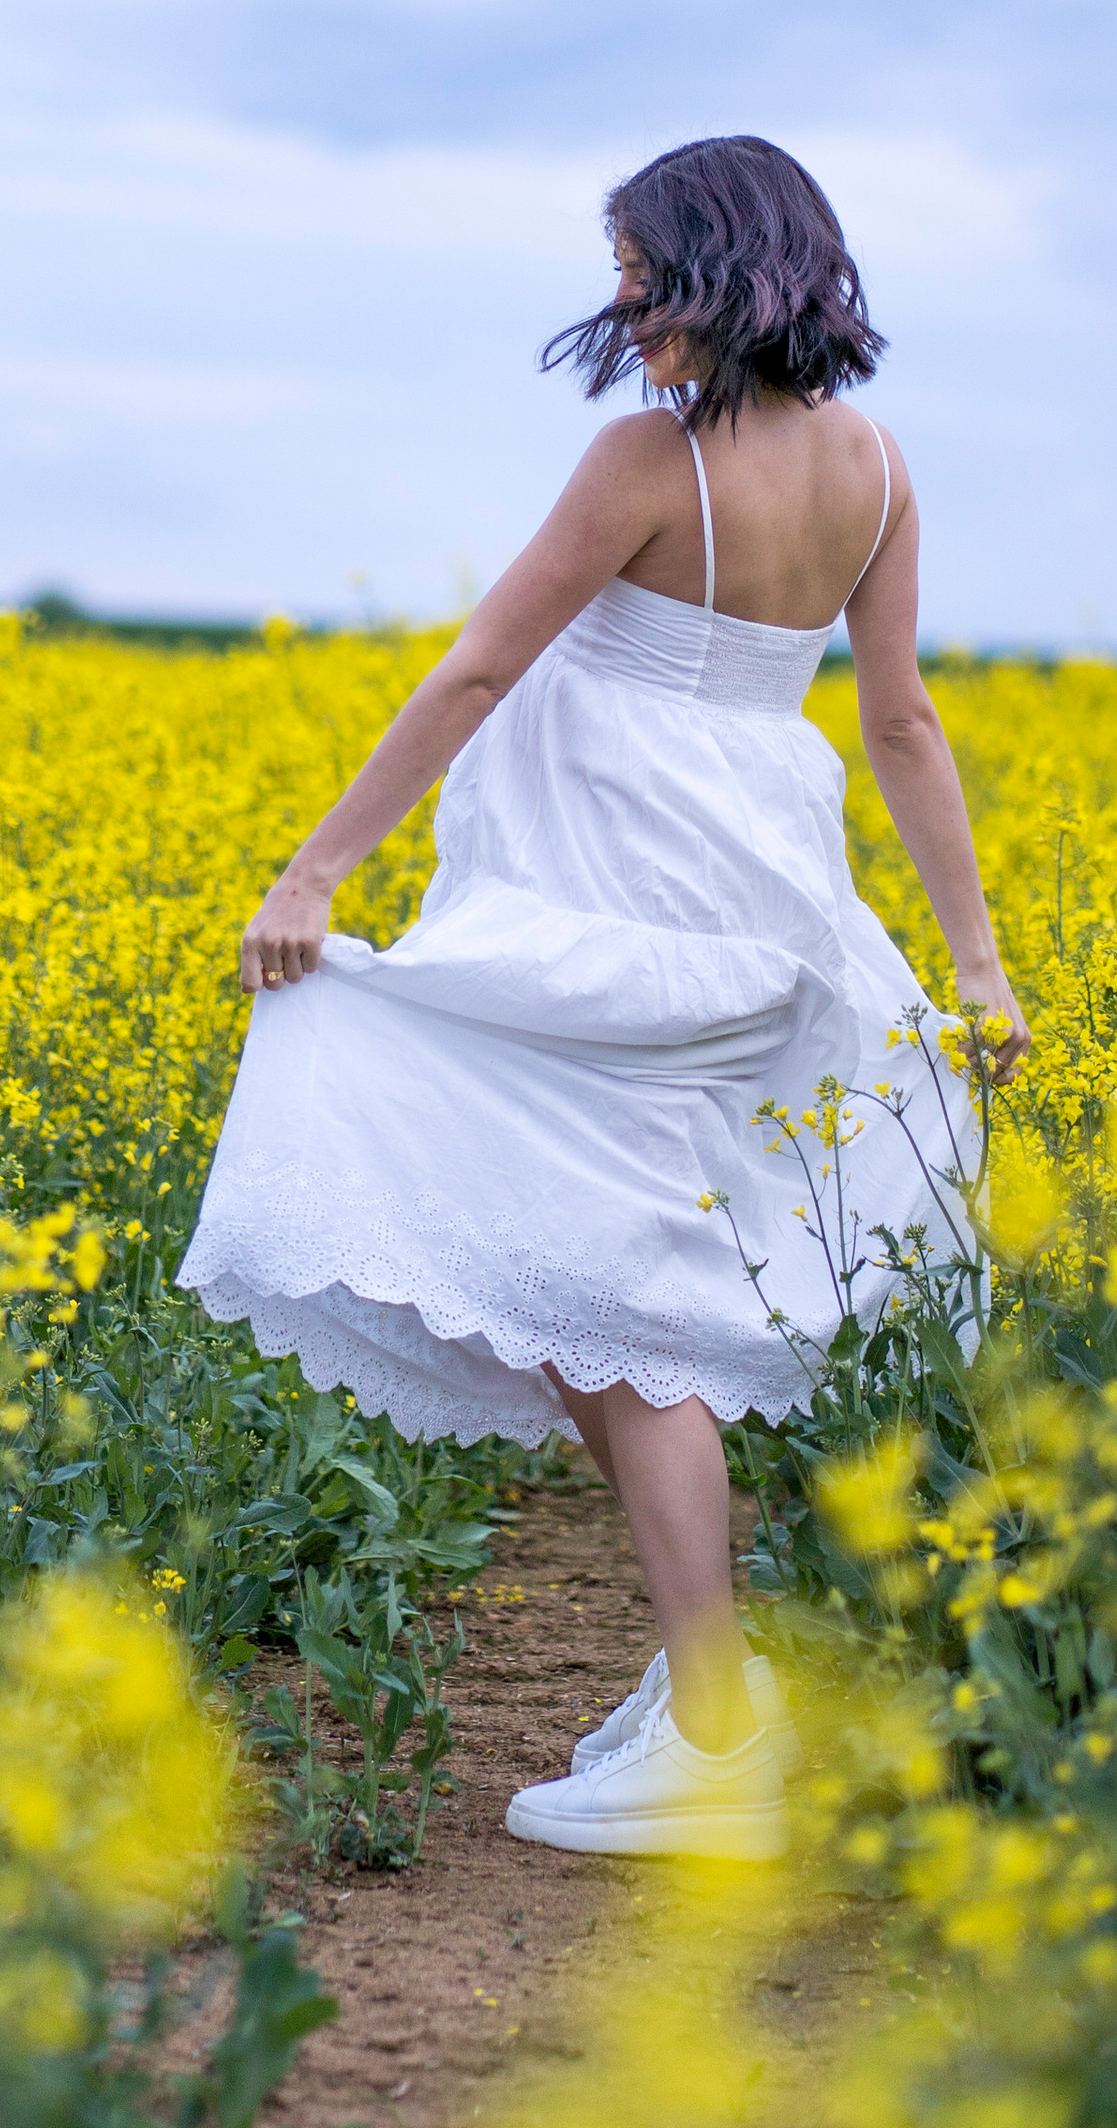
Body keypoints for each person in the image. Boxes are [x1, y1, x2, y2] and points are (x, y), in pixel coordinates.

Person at [178, 134, 1029, 1858]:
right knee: (611, 1293)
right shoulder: (873, 465)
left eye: (642, 279)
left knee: (614, 1305)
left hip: (622, 896)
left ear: (721, 271)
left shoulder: (652, 461)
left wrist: (314, 873)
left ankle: (721, 1729)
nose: (625, 315)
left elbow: (485, 665)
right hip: (758, 898)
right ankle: (715, 1694)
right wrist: (977, 969)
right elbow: (900, 725)